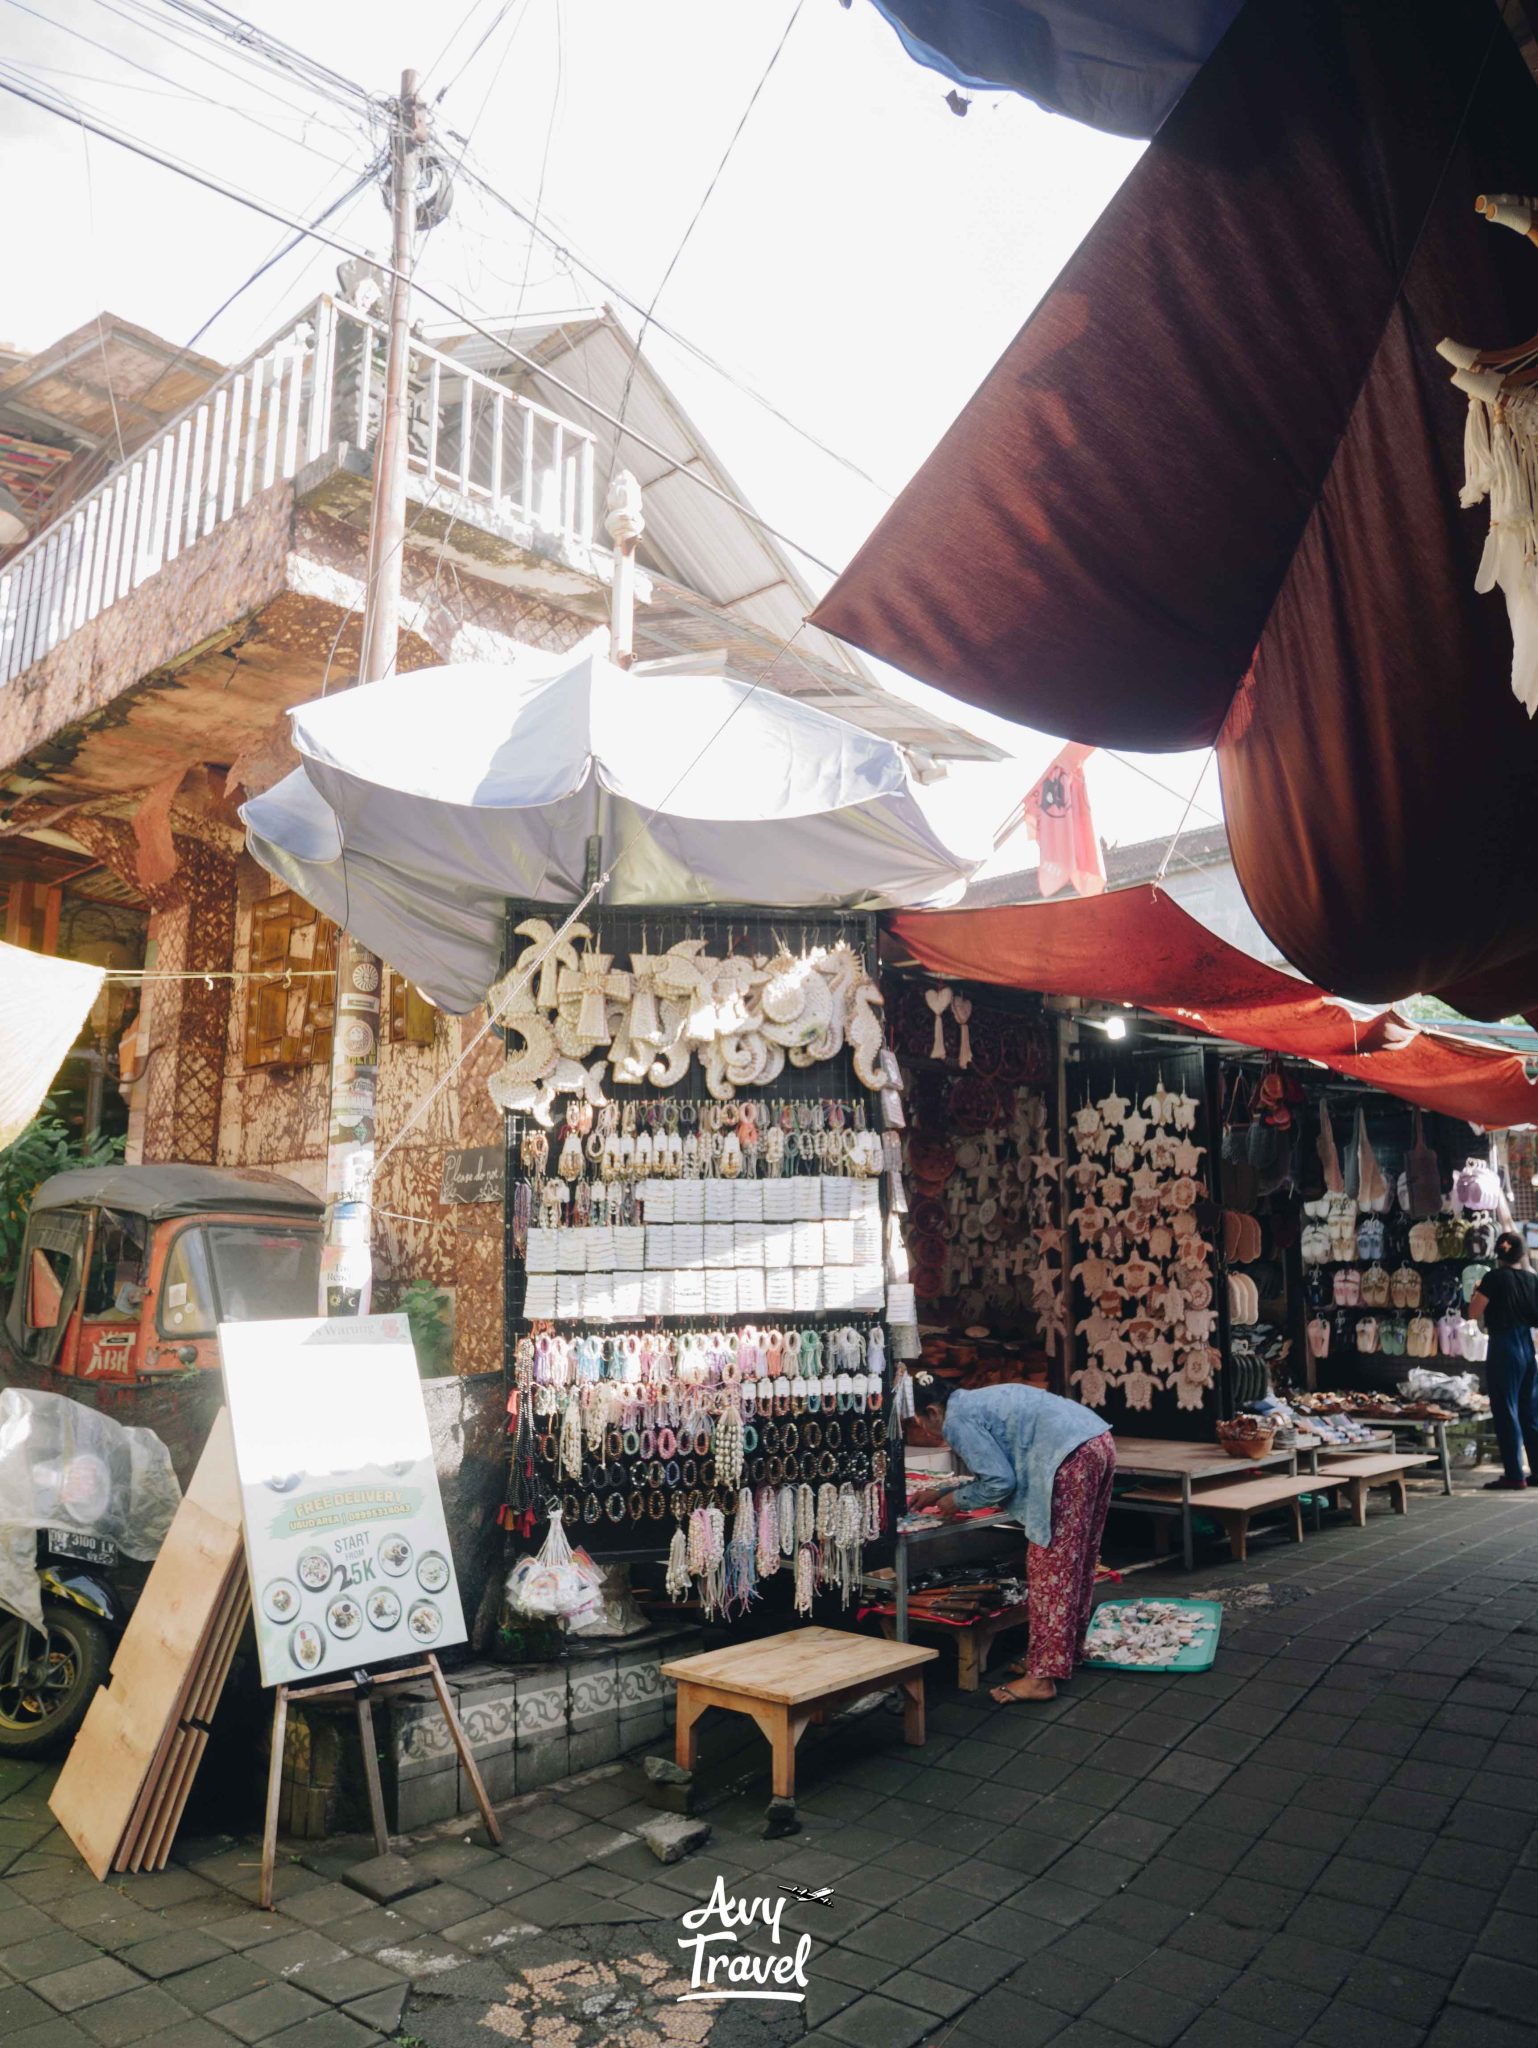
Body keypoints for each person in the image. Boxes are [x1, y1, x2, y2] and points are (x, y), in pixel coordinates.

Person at [907, 1374, 1114, 1705]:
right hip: (1095, 1440)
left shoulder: (957, 1420)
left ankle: (1042, 1678)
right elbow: (994, 1468)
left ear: (931, 1411)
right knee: (1077, 1557)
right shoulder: (974, 1400)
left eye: (917, 1421)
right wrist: (943, 1491)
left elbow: (1000, 1481)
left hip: (1071, 1456)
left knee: (1051, 1566)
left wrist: (956, 1502)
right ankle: (1063, 1656)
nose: (920, 1429)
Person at [1469, 1231, 1538, 1490]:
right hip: (1526, 1346)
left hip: (1503, 1346)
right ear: (1521, 1254)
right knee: (1530, 1411)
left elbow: (1474, 1311)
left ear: (1498, 1253)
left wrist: (1476, 1293)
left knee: (1505, 1409)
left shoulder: (1493, 1278)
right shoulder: (1532, 1280)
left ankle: (1513, 1474)